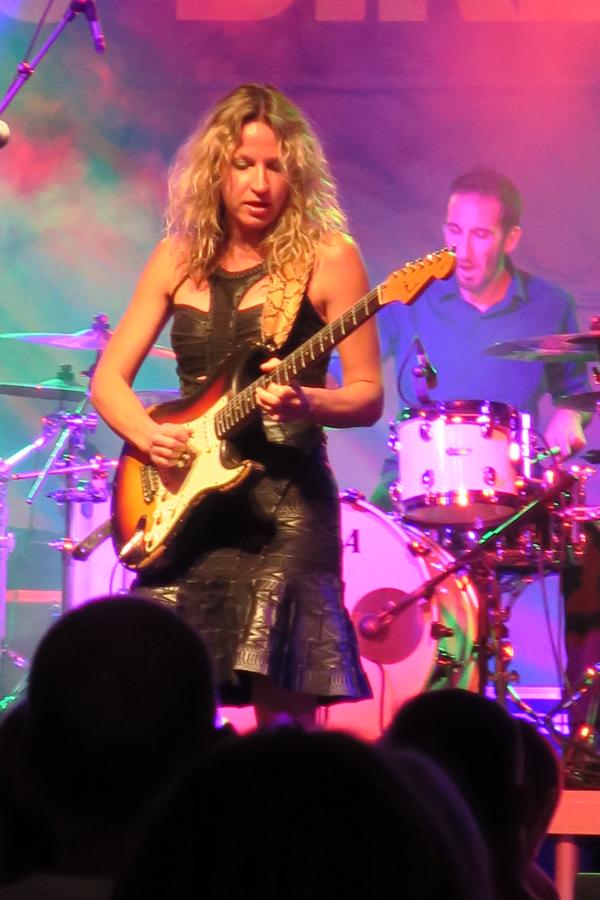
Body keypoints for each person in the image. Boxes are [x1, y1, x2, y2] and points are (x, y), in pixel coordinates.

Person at [91, 83, 383, 726]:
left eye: (275, 166)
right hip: (185, 509)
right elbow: (108, 379)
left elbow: (367, 395)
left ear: (296, 174)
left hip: (284, 512)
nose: (259, 183)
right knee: (161, 709)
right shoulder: (175, 258)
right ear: (215, 170)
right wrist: (148, 436)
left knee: (284, 730)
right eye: (243, 164)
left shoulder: (330, 258)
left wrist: (308, 402)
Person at [372, 166, 590, 510]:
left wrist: (571, 416)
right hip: (411, 482)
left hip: (511, 485)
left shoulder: (551, 304)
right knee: (358, 530)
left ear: (511, 239)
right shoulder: (408, 297)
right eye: (455, 231)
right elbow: (344, 372)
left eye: (481, 235)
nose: (463, 251)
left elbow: (576, 395)